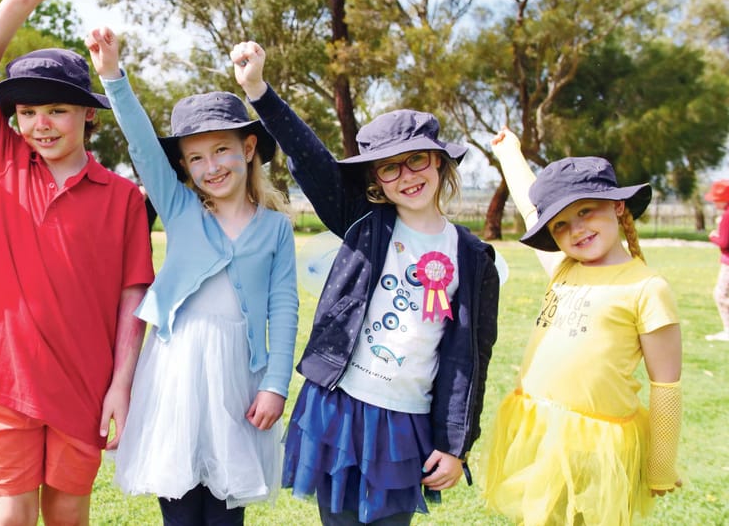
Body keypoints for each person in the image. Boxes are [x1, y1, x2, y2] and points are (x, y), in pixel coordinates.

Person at [231, 42, 500, 525]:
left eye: (417, 160)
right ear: (377, 180)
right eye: (390, 168)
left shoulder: (474, 257)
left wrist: (455, 445)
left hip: (405, 420)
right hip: (340, 406)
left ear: (440, 162)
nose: (407, 176)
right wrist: (259, 91)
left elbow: (468, 360)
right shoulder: (363, 224)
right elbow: (310, 157)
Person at [0, 0, 155, 525]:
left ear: (89, 113)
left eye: (57, 109)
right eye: (28, 112)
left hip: (83, 384)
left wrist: (120, 387)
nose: (41, 124)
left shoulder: (124, 198)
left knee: (66, 515)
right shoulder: (5, 162)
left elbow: (133, 299)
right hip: (3, 378)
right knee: (9, 515)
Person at [87, 29, 299, 524]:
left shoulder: (274, 230)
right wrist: (113, 76)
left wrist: (275, 384)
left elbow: (283, 309)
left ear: (248, 149)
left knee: (226, 510)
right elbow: (141, 144)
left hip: (238, 380)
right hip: (176, 372)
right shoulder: (181, 209)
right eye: (196, 158)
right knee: (179, 506)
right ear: (182, 166)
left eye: (222, 150)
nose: (211, 166)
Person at [482, 128, 683, 525]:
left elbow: (666, 386)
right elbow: (529, 206)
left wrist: (661, 465)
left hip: (599, 446)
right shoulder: (563, 268)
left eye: (585, 211)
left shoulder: (647, 288)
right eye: (560, 225)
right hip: (539, 428)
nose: (575, 230)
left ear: (619, 207)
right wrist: (509, 154)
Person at [704, 179, 729, 342]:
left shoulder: (726, 216)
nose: (714, 203)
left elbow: (724, 242)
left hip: (728, 262)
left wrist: (713, 236)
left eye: (716, 200)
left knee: (721, 295)